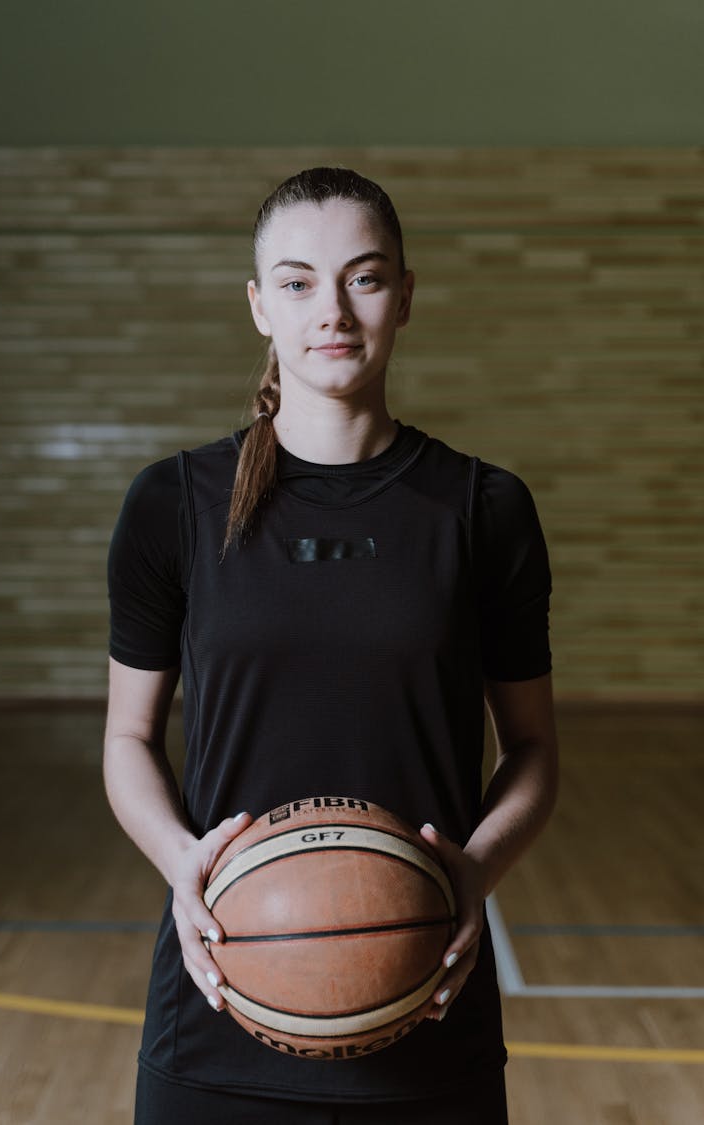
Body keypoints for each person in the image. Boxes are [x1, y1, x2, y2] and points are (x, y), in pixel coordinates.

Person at [104, 167, 558, 1125]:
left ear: (405, 295)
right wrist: (181, 860)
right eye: (300, 281)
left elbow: (533, 750)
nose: (335, 310)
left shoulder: (485, 510)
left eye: (365, 277)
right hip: (221, 998)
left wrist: (473, 870)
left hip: (428, 992)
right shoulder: (171, 505)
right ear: (260, 305)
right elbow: (128, 740)